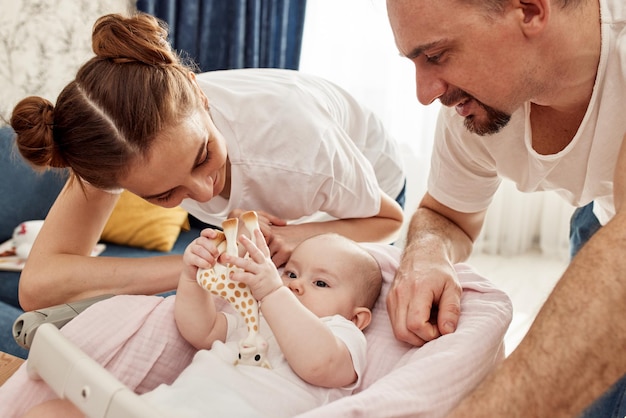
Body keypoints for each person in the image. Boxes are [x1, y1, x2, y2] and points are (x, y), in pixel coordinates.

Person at [6, 12, 404, 318]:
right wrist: (197, 261)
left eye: (202, 156)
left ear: (199, 93)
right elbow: (39, 287)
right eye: (165, 194)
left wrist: (299, 235)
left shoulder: (300, 148)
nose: (203, 193)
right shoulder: (116, 139)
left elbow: (388, 219)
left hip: (367, 196)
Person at [384, 0, 625, 416]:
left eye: (436, 56)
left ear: (530, 11)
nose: (424, 94)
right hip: (600, 217)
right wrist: (426, 253)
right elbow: (446, 216)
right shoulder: (473, 110)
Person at [22, 230, 383, 417]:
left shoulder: (343, 335)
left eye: (320, 283)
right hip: (161, 408)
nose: (295, 284)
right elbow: (201, 331)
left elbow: (320, 363)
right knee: (51, 413)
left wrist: (274, 291)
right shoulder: (255, 315)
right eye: (290, 272)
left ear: (358, 317)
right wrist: (192, 278)